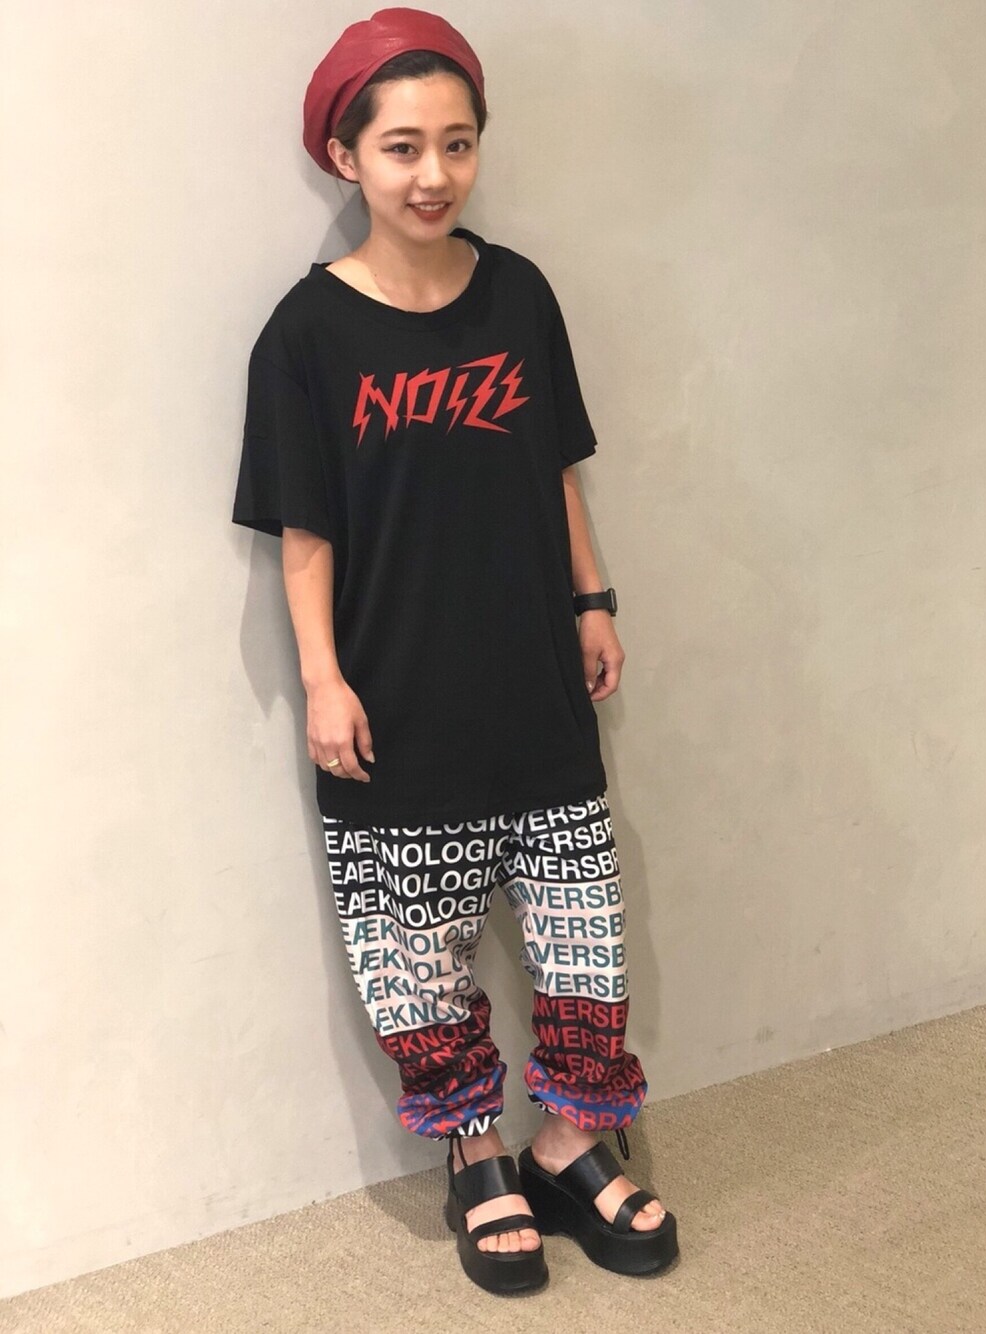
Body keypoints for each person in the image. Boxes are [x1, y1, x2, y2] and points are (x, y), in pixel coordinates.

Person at [232, 6, 678, 1296]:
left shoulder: (520, 292)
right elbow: (304, 531)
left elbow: (555, 467)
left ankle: (573, 1144)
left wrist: (593, 599)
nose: (434, 174)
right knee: (415, 954)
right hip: (395, 694)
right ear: (346, 157)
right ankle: (476, 1154)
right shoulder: (304, 336)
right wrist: (323, 679)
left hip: (533, 675)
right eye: (402, 147)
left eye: (458, 144)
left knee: (582, 931)